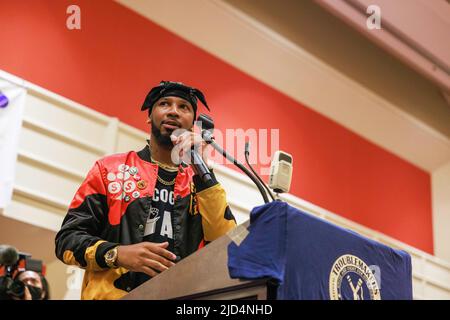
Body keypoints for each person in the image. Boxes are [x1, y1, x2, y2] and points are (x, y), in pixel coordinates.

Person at [55, 81, 237, 300]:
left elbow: (226, 246)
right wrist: (117, 254)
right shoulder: (109, 170)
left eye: (184, 107)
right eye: (164, 103)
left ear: (193, 125)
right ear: (149, 116)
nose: (173, 111)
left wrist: (203, 168)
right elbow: (67, 241)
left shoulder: (201, 183)